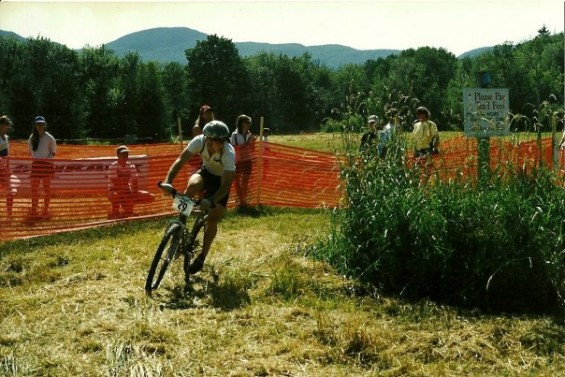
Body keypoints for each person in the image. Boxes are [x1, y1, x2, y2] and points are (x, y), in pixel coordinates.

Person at [160, 120, 235, 275]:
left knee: (212, 218)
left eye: (223, 140)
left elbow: (226, 186)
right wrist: (168, 181)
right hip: (206, 173)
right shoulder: (199, 141)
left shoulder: (229, 153)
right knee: (192, 185)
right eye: (217, 141)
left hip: (221, 182)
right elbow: (180, 161)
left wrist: (211, 200)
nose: (220, 144)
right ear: (207, 139)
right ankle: (181, 222)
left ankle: (202, 256)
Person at [107, 145, 155, 219]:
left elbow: (135, 181)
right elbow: (116, 183)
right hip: (115, 190)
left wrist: (134, 194)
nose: (126, 156)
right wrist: (127, 196)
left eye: (127, 154)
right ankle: (115, 210)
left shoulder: (131, 166)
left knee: (150, 196)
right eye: (123, 154)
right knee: (115, 196)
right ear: (118, 155)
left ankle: (128, 206)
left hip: (128, 191)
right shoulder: (113, 167)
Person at [28, 116, 57, 220]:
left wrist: (44, 160)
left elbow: (53, 153)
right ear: (35, 126)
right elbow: (30, 152)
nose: (40, 126)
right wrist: (38, 160)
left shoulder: (50, 138)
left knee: (47, 189)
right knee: (34, 190)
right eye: (38, 124)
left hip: (47, 165)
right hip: (36, 165)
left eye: (41, 124)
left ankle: (45, 211)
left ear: (45, 125)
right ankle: (34, 211)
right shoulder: (31, 138)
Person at [230, 114, 256, 207]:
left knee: (245, 183)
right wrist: (248, 142)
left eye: (249, 122)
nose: (249, 124)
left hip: (247, 161)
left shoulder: (249, 134)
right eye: (247, 122)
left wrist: (253, 143)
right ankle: (241, 200)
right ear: (241, 123)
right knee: (237, 182)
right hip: (237, 162)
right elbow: (234, 149)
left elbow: (252, 150)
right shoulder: (234, 135)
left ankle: (243, 200)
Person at [0, 115, 14, 220]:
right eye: (4, 125)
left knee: (10, 191)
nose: (5, 127)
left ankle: (9, 215)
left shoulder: (7, 138)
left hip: (5, 169)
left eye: (6, 125)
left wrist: (8, 167)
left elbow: (7, 154)